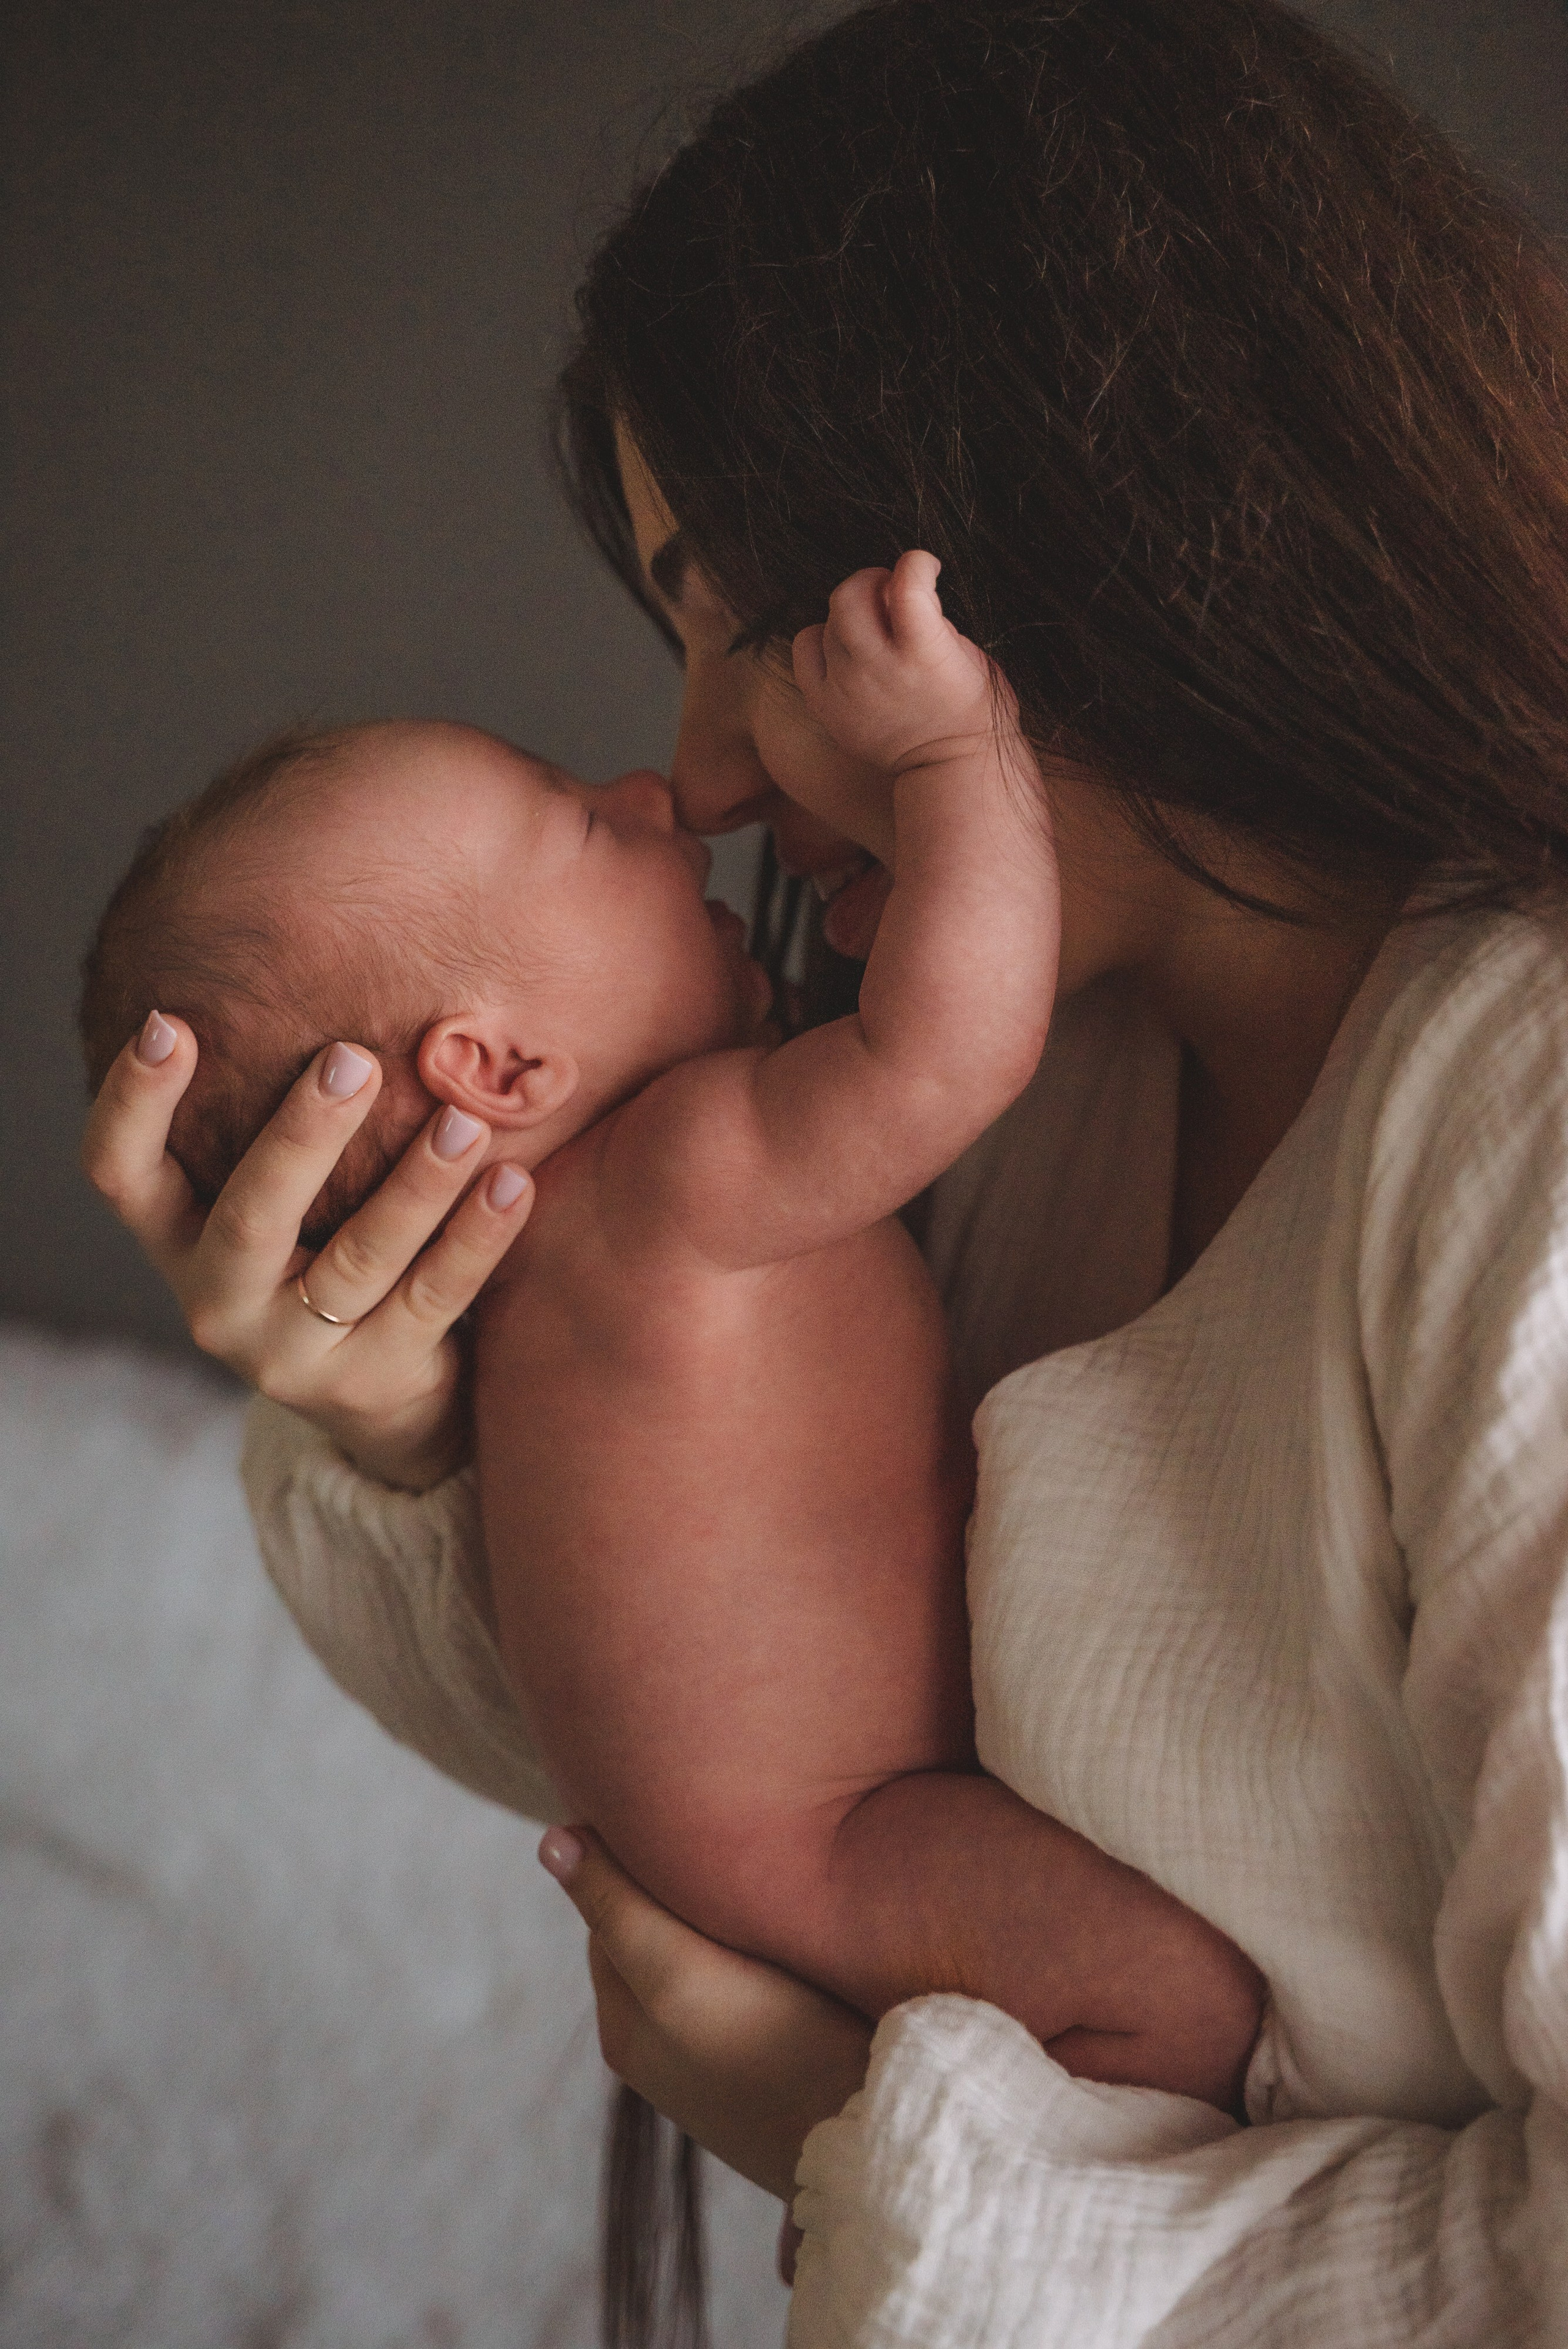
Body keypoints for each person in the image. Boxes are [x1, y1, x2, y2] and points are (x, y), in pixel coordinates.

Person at [83, 0, 1568, 2339]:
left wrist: (885, 2154)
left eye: (746, 617)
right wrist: (414, 1418)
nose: (694, 778)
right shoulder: (1021, 1068)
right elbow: (710, 1689)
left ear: (1056, 519)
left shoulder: (1514, 1125)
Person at [80, 602, 1263, 2106]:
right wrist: (956, 755)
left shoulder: (531, 1274)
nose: (654, 795)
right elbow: (954, 1049)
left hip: (765, 1849)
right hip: (842, 1835)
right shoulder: (672, 1180)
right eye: (585, 824)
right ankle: (951, 2178)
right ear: (498, 1066)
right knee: (1183, 2007)